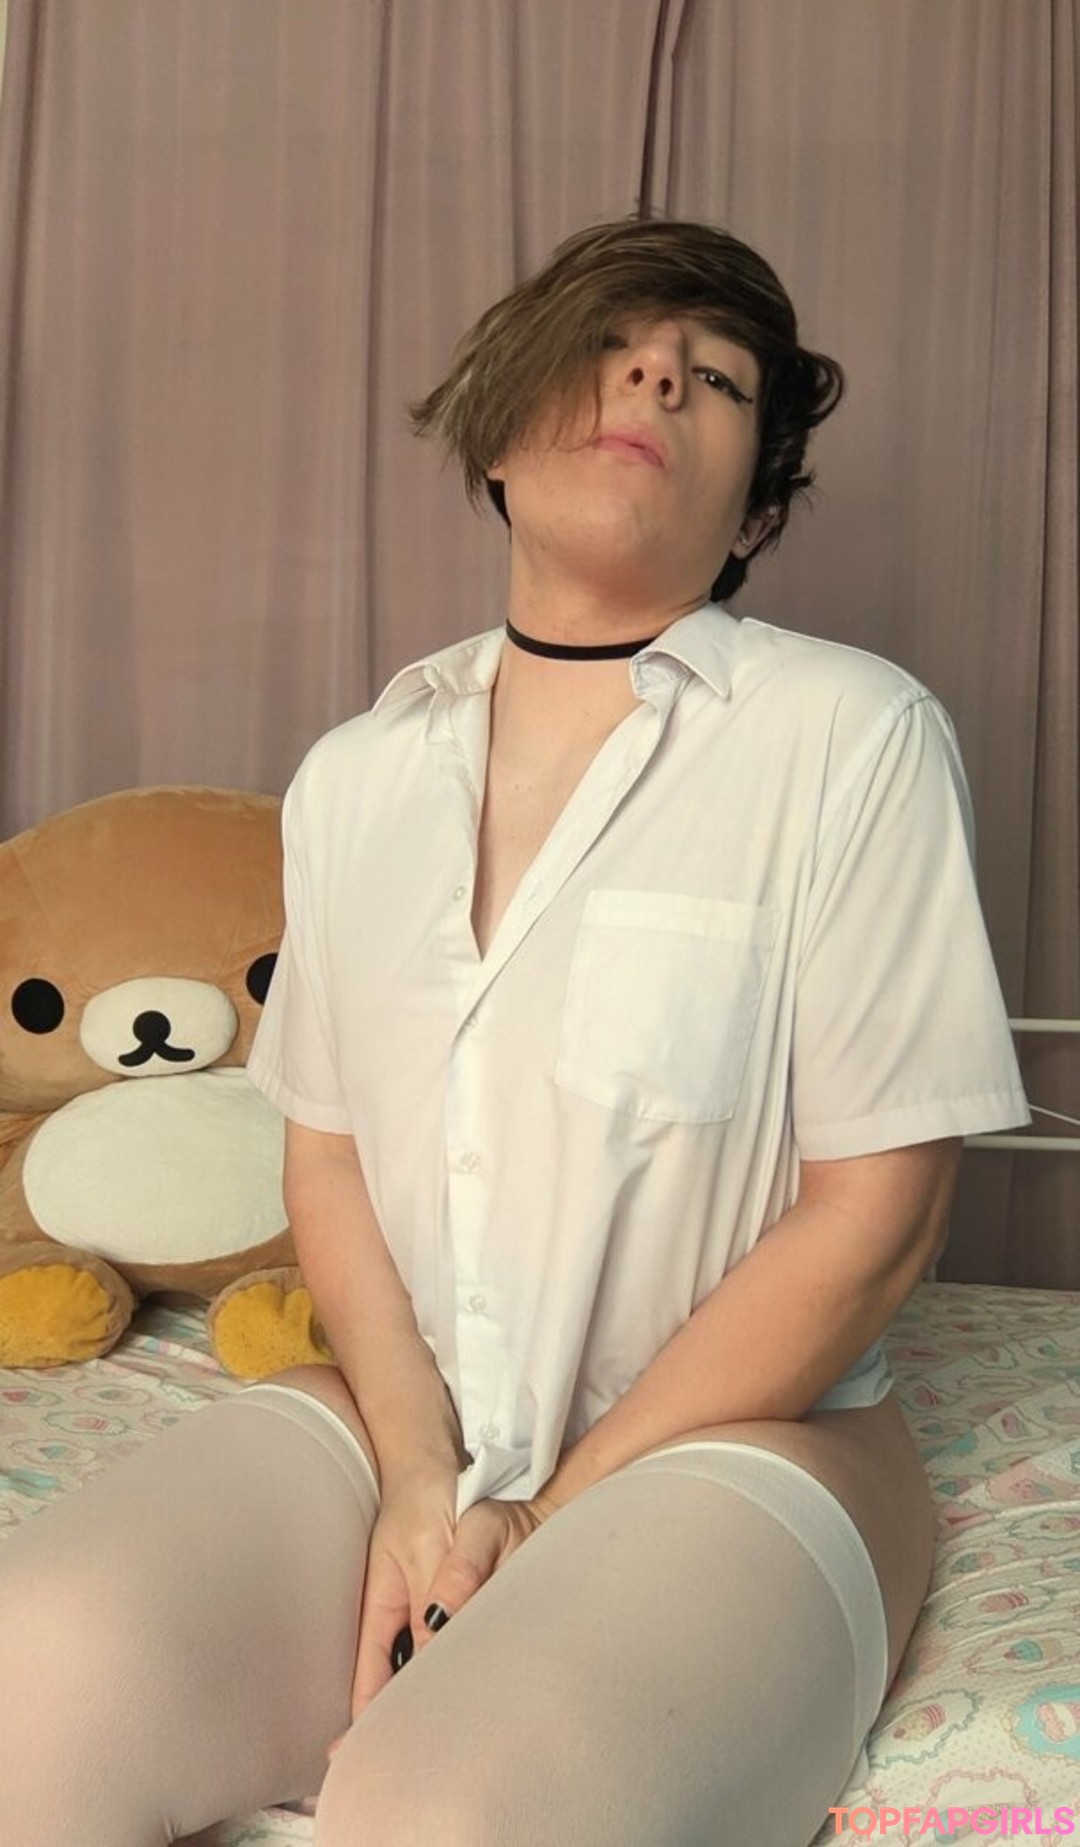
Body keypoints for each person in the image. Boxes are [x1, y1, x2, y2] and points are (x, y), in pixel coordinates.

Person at [0, 217, 1028, 1847]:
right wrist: (423, 1476)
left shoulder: (851, 738)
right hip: (400, 1417)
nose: (658, 377)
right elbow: (328, 1156)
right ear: (495, 434)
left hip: (745, 1437)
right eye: (613, 347)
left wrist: (546, 1515)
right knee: (24, 1685)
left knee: (455, 1811)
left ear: (757, 510)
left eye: (716, 380)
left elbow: (878, 1219)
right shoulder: (356, 779)